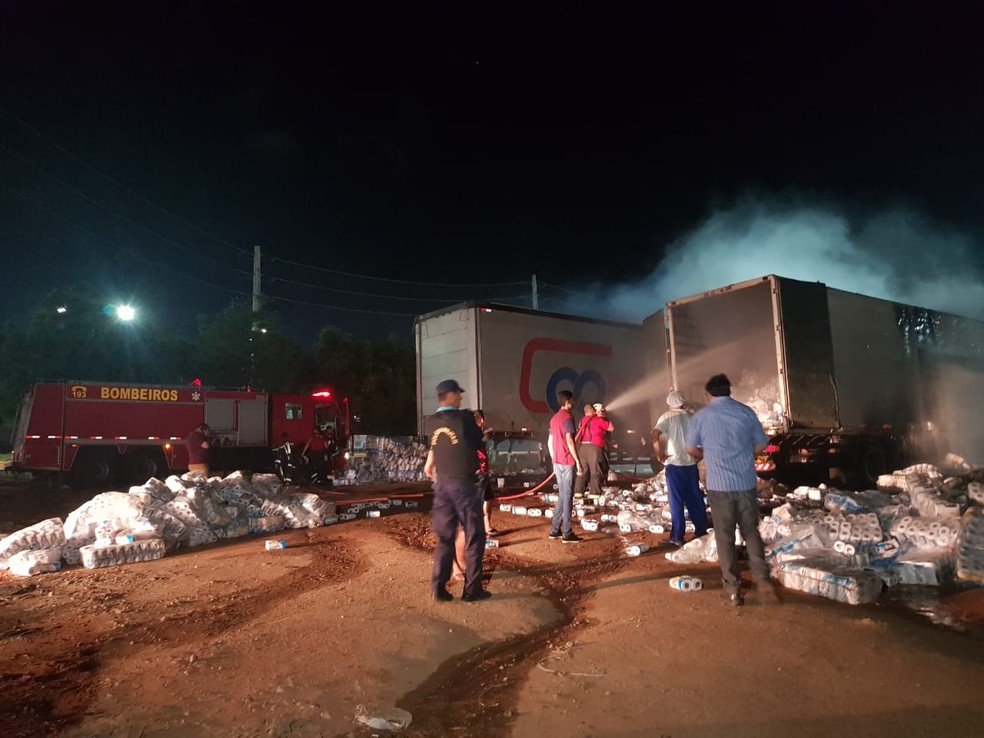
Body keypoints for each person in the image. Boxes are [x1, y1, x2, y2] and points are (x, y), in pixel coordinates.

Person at [684, 374, 780, 607]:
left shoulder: (702, 416)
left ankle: (732, 591)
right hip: (746, 483)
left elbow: (689, 449)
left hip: (719, 485)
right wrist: (745, 453)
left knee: (724, 538)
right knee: (751, 531)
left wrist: (705, 455)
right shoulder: (746, 412)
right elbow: (762, 443)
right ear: (729, 391)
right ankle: (763, 582)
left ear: (708, 394)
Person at [423, 379, 491, 602]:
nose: (461, 398)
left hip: (441, 485)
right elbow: (478, 444)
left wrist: (430, 464)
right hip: (462, 484)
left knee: (445, 537)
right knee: (475, 535)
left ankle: (439, 588)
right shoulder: (464, 418)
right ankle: (472, 590)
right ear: (450, 395)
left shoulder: (431, 422)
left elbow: (436, 446)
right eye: (458, 394)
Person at [653, 390, 709, 547]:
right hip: (690, 465)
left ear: (670, 403)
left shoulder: (666, 417)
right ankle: (701, 531)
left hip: (674, 465)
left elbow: (655, 435)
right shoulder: (692, 417)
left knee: (676, 501)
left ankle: (677, 536)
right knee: (695, 499)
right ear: (683, 403)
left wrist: (659, 454)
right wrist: (699, 456)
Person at [547, 390, 583, 543]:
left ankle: (555, 530)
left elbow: (550, 441)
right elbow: (569, 440)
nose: (574, 403)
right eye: (572, 401)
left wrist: (553, 458)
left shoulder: (554, 418)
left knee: (562, 495)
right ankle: (567, 532)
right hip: (567, 461)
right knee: (567, 497)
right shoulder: (568, 417)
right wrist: (578, 461)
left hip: (557, 461)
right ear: (568, 402)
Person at [574, 404, 607, 500]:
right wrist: (603, 417)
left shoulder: (581, 421)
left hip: (582, 448)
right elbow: (611, 428)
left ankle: (578, 493)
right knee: (595, 470)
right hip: (594, 447)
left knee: (582, 471)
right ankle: (594, 493)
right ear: (593, 410)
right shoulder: (598, 419)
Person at [473, 409, 497, 536]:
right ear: (482, 420)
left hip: (482, 471)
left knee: (489, 499)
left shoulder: (475, 433)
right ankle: (476, 529)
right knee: (478, 501)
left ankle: (487, 526)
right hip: (478, 473)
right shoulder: (474, 434)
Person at [593, 403, 615, 481]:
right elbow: (611, 428)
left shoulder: (600, 420)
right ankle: (601, 481)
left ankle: (602, 480)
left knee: (604, 464)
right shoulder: (599, 420)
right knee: (601, 464)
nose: (604, 412)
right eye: (602, 411)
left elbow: (607, 435)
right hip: (599, 446)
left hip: (601, 445)